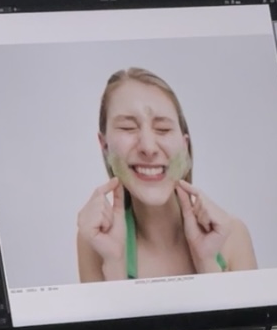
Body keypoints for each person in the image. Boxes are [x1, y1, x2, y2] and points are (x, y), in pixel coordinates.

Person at [76, 67, 256, 281]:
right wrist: (114, 264)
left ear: (184, 145)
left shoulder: (231, 235)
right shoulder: (95, 240)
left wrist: (208, 263)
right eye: (128, 127)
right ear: (104, 145)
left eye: (163, 129)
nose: (148, 147)